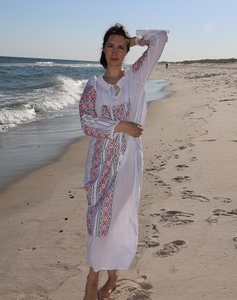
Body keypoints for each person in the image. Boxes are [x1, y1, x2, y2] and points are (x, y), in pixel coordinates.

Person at [79, 23, 168, 300]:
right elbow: (87, 123)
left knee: (114, 218)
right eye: (110, 46)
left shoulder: (136, 78)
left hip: (128, 160)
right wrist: (121, 125)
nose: (115, 51)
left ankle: (93, 282)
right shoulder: (93, 86)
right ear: (103, 50)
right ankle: (112, 277)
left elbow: (161, 37)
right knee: (98, 220)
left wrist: (135, 39)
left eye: (120, 47)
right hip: (100, 163)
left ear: (126, 50)